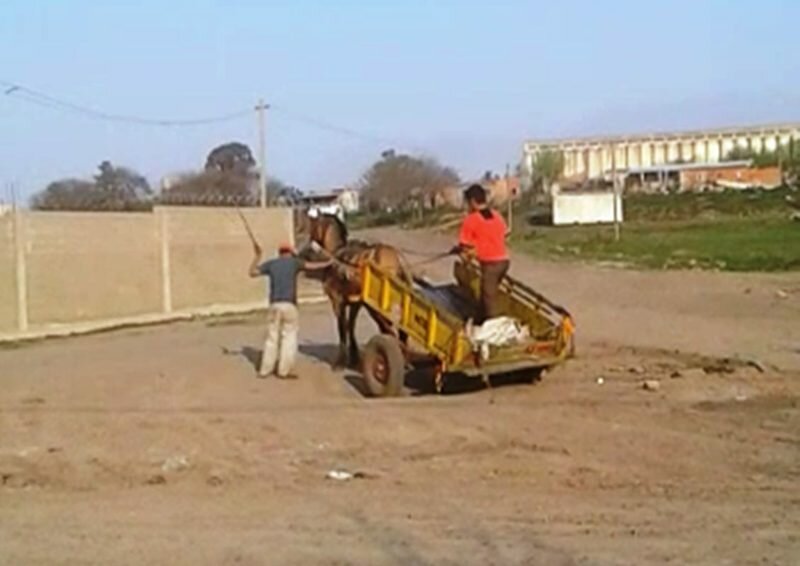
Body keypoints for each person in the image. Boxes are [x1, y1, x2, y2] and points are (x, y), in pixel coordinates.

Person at [249, 241, 331, 379]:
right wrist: (328, 263)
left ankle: (265, 370)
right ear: (290, 252)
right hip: (289, 305)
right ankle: (283, 371)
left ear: (280, 252)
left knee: (271, 337)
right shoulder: (294, 263)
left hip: (274, 305)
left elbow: (252, 272)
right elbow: (312, 266)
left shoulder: (272, 264)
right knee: (289, 337)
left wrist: (258, 256)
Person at [451, 184, 510, 322]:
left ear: (472, 201)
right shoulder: (497, 215)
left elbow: (466, 247)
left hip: (491, 265)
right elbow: (502, 235)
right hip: (504, 262)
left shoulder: (471, 219)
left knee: (489, 300)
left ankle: (494, 330)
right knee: (486, 294)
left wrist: (461, 252)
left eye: (467, 203)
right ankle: (480, 320)